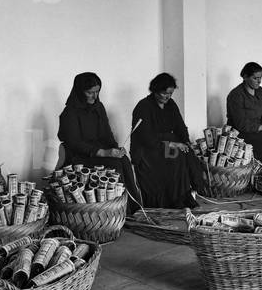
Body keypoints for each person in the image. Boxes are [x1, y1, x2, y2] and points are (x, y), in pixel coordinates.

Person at [58, 72, 140, 212]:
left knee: (124, 160)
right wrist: (103, 152)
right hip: (80, 156)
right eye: (90, 92)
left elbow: (106, 134)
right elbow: (74, 143)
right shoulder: (70, 112)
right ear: (79, 91)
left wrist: (116, 149)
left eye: (97, 92)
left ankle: (132, 210)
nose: (95, 96)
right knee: (114, 165)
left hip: (99, 151)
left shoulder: (98, 107)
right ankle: (115, 211)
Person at [130, 73, 206, 208]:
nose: (168, 97)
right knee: (175, 158)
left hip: (167, 144)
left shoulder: (170, 104)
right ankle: (173, 201)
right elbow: (145, 136)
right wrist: (171, 144)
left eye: (170, 93)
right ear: (155, 90)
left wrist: (186, 141)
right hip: (148, 149)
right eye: (164, 93)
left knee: (187, 154)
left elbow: (180, 126)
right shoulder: (143, 106)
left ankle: (184, 196)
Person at [225, 62, 262, 168]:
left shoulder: (260, 92)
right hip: (241, 134)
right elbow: (241, 124)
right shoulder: (236, 95)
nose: (259, 81)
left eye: (261, 77)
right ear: (245, 77)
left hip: (257, 130)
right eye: (255, 78)